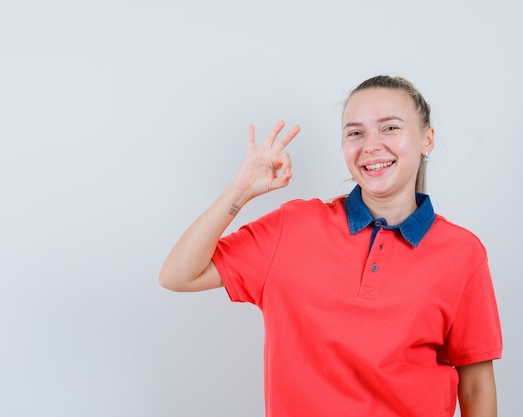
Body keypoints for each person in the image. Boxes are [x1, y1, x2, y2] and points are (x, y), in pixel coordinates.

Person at [160, 75, 502, 417]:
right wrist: (240, 190)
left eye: (390, 128)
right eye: (355, 132)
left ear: (426, 140)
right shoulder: (291, 227)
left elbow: (476, 385)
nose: (370, 145)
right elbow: (178, 275)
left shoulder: (462, 252)